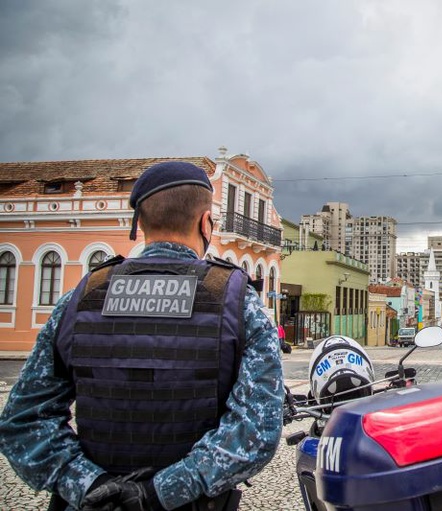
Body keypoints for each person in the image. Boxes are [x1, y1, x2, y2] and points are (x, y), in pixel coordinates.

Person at [0, 161, 284, 511]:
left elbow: (22, 422)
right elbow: (256, 433)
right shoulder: (238, 301)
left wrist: (91, 486)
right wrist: (157, 493)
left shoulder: (83, 295)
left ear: (140, 223)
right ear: (205, 222)